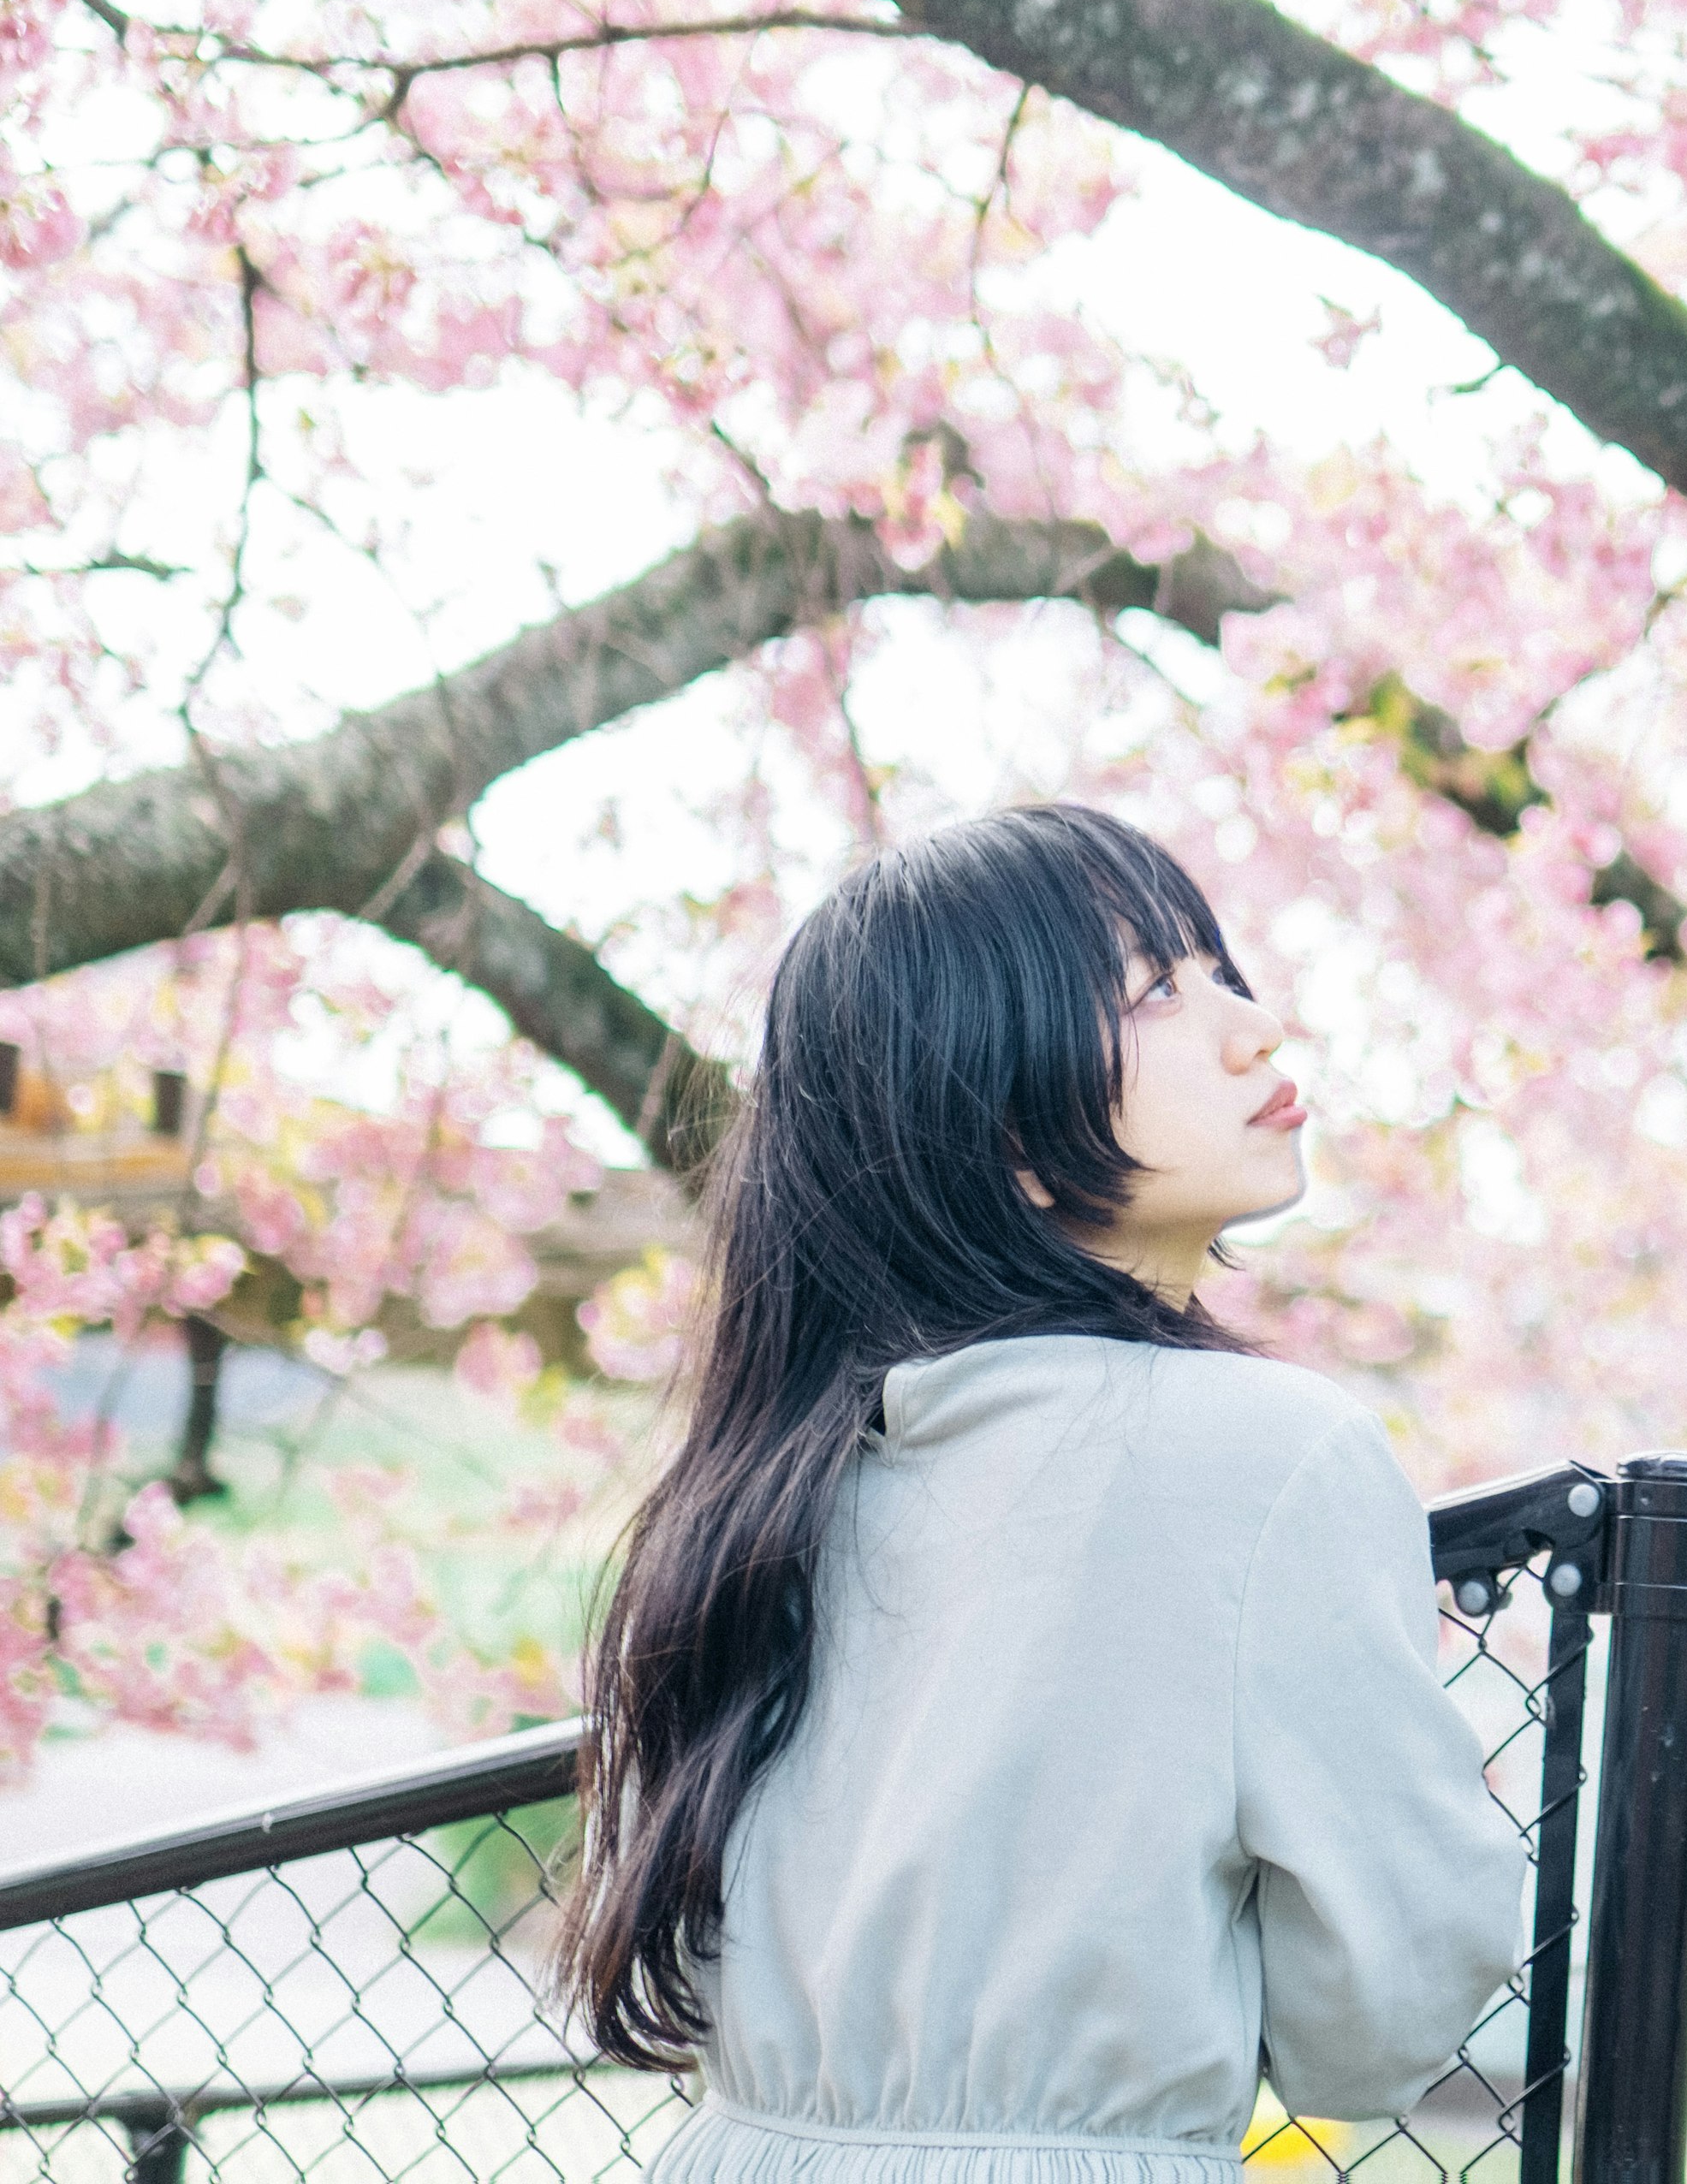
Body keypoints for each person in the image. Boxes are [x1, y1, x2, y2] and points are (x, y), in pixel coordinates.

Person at [555, 804, 1527, 2181]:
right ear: (997, 1122)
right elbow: (1376, 2023)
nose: (1254, 1028)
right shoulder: (1268, 1455)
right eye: (1156, 992)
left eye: (1220, 972)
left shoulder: (765, 1486)